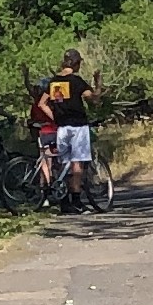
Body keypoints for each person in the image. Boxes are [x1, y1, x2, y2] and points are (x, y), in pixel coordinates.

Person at [46, 49, 102, 214]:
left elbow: (43, 102)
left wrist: (55, 116)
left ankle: (64, 201)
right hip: (78, 126)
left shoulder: (54, 82)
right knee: (77, 163)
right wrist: (98, 83)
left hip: (62, 127)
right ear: (76, 64)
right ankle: (77, 200)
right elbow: (93, 99)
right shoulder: (76, 81)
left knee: (64, 163)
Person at [28, 79, 57, 203]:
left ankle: (45, 192)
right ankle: (47, 191)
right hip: (52, 132)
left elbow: (33, 121)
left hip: (44, 133)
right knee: (49, 163)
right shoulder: (52, 103)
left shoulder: (37, 104)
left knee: (45, 163)